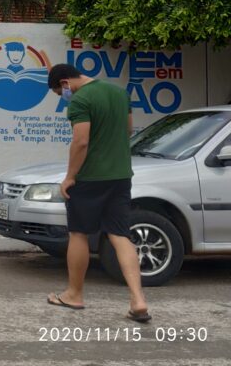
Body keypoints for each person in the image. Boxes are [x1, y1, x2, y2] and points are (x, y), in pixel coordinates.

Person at [45, 64, 150, 323]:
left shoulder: (80, 100)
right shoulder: (120, 93)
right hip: (121, 176)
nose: (63, 97)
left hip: (90, 178)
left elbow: (81, 141)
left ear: (64, 82)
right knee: (120, 235)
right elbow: (127, 131)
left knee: (79, 233)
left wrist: (70, 177)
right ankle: (138, 300)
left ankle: (74, 294)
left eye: (59, 92)